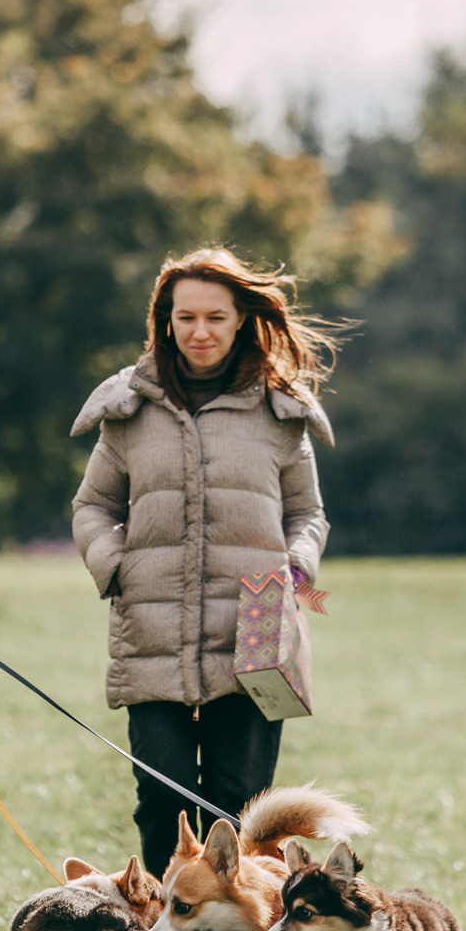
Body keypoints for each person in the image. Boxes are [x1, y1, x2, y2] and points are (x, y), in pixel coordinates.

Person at [70, 248, 337, 877]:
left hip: (254, 640)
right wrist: (117, 568)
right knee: (161, 803)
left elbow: (309, 516)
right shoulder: (128, 411)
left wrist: (295, 570)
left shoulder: (280, 414)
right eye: (184, 317)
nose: (200, 331)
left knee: (236, 807)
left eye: (215, 317)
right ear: (165, 321)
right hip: (152, 637)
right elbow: (91, 506)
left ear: (241, 319)